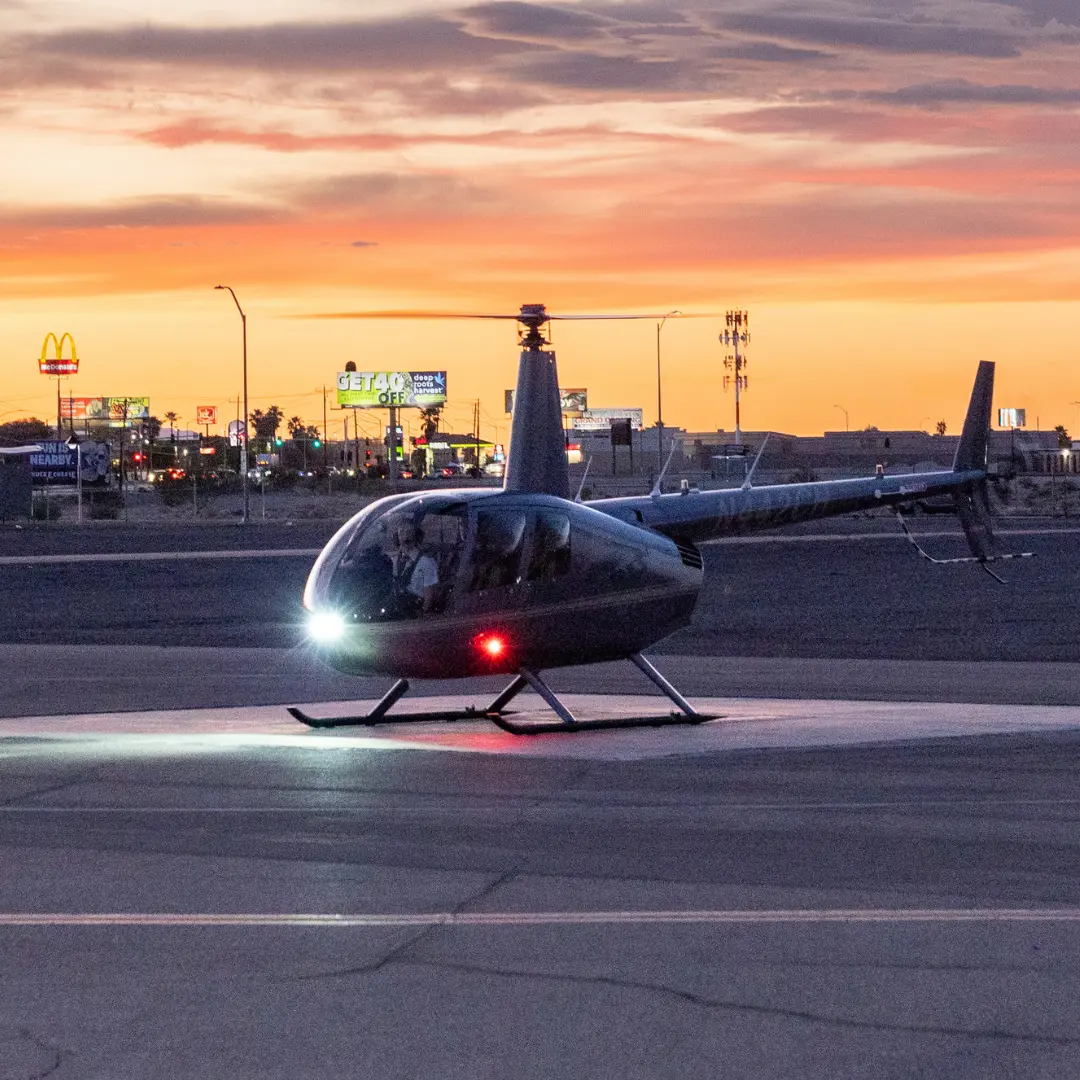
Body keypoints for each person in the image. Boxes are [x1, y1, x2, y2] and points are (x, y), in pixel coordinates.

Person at [391, 519, 439, 614]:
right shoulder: (394, 560)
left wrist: (421, 615)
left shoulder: (426, 562)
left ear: (416, 535)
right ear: (397, 537)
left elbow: (429, 597)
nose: (405, 535)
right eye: (401, 532)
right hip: (396, 609)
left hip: (415, 611)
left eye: (409, 531)